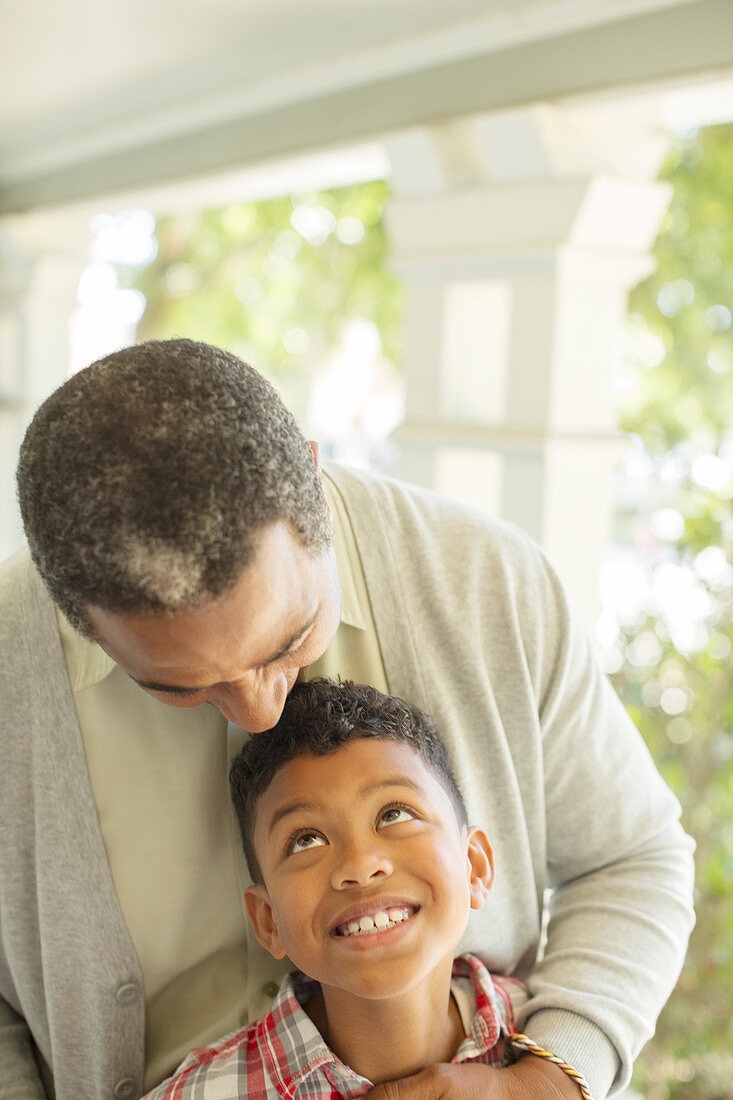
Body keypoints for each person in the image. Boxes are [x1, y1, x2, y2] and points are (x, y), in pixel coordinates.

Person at [1, 338, 694, 1100]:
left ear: (311, 475)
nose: (261, 710)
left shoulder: (486, 581)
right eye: (177, 687)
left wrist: (552, 1077)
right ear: (73, 613)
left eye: (291, 640)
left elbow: (629, 860)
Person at [145, 677, 567, 1099]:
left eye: (395, 814)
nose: (360, 867)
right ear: (268, 920)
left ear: (474, 866)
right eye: (306, 840)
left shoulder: (551, 1034)